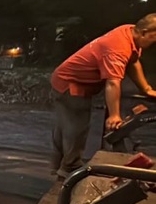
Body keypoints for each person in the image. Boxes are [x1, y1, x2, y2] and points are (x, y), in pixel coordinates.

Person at [50, 14, 156, 177]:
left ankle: (58, 165)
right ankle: (69, 168)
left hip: (70, 80)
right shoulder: (117, 48)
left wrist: (146, 89)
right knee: (76, 127)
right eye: (153, 38)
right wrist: (114, 115)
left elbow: (133, 61)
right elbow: (113, 83)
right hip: (70, 84)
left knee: (66, 125)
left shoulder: (129, 31)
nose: (154, 43)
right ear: (143, 32)